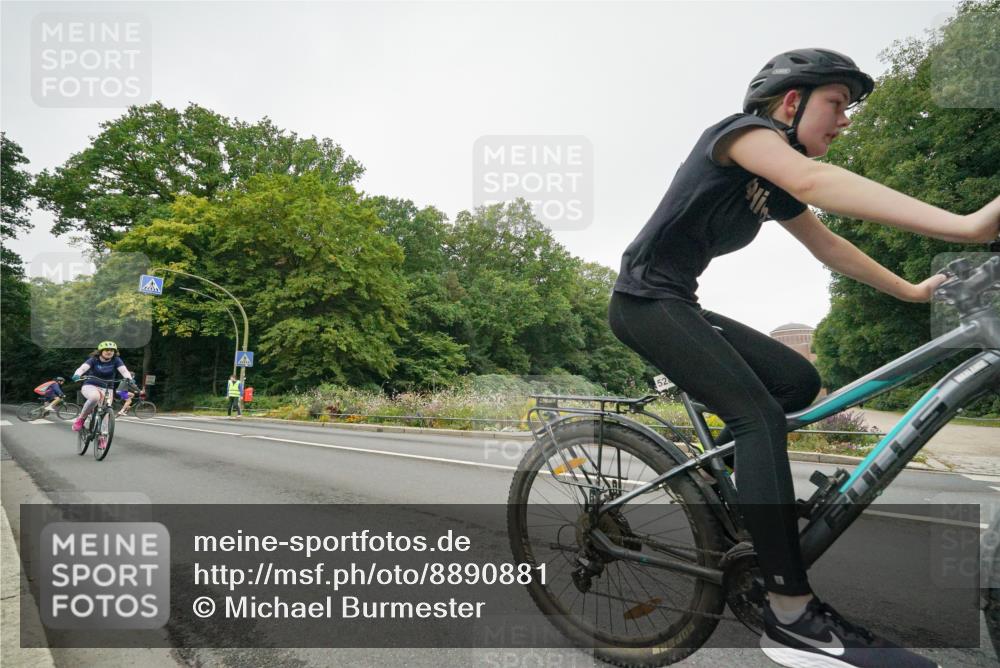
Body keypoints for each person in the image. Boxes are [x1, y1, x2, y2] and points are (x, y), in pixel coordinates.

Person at [608, 48, 1000, 668]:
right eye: (836, 104)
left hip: (681, 301)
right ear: (790, 103)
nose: (844, 120)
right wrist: (970, 224)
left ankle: (740, 494)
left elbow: (830, 246)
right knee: (758, 417)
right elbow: (819, 183)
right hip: (642, 302)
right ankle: (789, 615)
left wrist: (913, 289)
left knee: (797, 381)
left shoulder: (772, 182)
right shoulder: (740, 135)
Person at [70, 341, 136, 431]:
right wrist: (77, 374)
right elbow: (83, 368)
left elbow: (124, 371)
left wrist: (130, 379)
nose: (109, 352)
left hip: (108, 388)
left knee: (106, 410)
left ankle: (103, 436)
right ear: (101, 351)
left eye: (112, 350)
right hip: (91, 385)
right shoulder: (94, 359)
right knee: (94, 397)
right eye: (106, 350)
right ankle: (81, 419)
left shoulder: (116, 360)